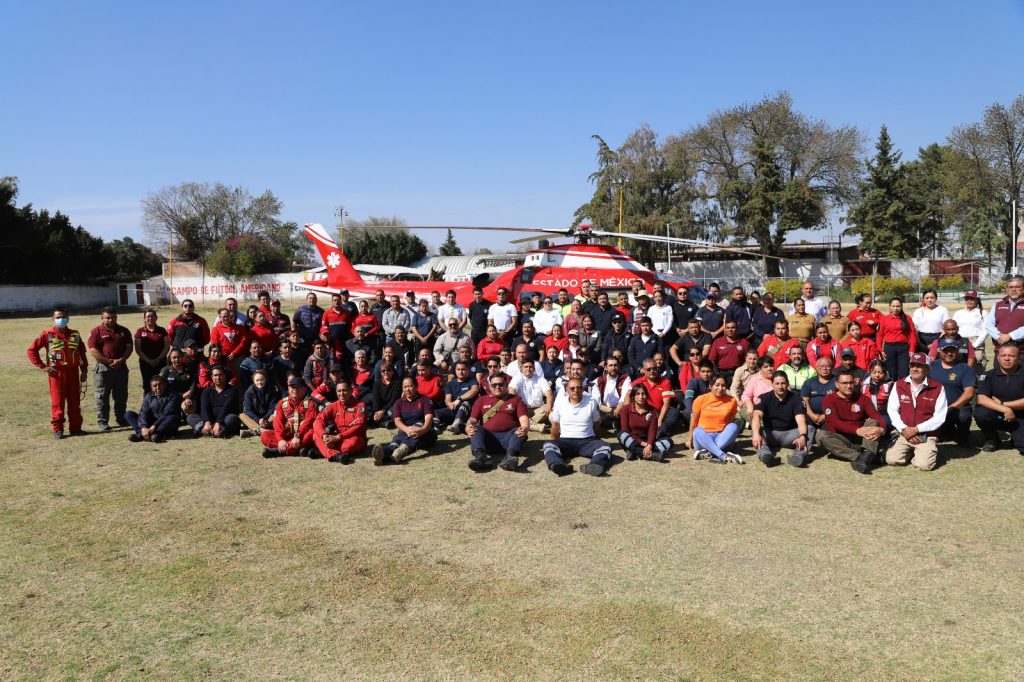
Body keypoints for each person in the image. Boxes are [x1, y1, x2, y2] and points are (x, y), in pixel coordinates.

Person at [27, 307, 89, 438]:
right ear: (53, 319)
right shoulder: (47, 334)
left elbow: (82, 353)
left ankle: (76, 428)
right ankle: (58, 430)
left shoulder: (75, 334)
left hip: (73, 372)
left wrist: (84, 370)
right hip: (56, 374)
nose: (61, 319)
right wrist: (43, 367)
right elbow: (31, 350)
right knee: (58, 403)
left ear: (68, 319)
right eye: (58, 317)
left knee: (75, 402)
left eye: (63, 317)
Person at [885, 353, 948, 471]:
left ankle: (924, 452)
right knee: (892, 460)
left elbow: (939, 417)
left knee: (924, 465)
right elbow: (892, 411)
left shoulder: (938, 388)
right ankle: (913, 451)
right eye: (912, 365)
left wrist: (916, 429)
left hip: (927, 434)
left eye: (919, 366)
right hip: (904, 433)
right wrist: (904, 430)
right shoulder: (899, 385)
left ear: (927, 369)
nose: (914, 369)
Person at [818, 368, 887, 474]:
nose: (849, 386)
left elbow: (877, 417)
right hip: (841, 440)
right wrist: (856, 430)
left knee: (873, 422)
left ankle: (866, 454)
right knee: (821, 436)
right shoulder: (829, 399)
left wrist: (881, 430)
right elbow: (835, 422)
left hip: (862, 440)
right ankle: (863, 457)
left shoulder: (863, 399)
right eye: (844, 383)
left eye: (851, 382)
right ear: (837, 384)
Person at [543, 377, 612, 477]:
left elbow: (596, 424)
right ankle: (557, 465)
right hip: (565, 441)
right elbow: (555, 425)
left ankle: (595, 465)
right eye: (572, 388)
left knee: (605, 446)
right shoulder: (560, 403)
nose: (576, 390)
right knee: (548, 445)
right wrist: (554, 443)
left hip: (587, 441)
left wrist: (598, 441)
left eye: (579, 388)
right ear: (567, 389)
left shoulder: (591, 402)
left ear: (582, 389)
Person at [466, 372, 530, 472]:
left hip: (509, 439)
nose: (497, 387)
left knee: (519, 431)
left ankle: (510, 458)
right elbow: (472, 420)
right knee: (475, 428)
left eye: (500, 384)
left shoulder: (516, 399)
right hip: (488, 440)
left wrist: (525, 428)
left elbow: (523, 418)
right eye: (494, 385)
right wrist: (468, 427)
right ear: (489, 386)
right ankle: (480, 458)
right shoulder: (481, 400)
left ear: (506, 385)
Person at [87, 306, 133, 431]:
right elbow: (93, 350)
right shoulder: (96, 331)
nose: (110, 320)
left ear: (116, 317)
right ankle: (103, 421)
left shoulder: (124, 331)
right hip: (103, 369)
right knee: (102, 396)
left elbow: (129, 347)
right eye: (107, 318)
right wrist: (109, 361)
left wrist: (121, 360)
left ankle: (121, 419)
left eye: (113, 317)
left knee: (121, 396)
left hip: (121, 367)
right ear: (102, 318)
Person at [752, 371, 812, 467]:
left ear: (788, 383)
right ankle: (765, 455)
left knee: (810, 429)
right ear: (772, 384)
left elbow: (800, 420)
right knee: (756, 429)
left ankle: (798, 456)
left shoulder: (796, 398)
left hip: (790, 435)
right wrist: (756, 434)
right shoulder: (764, 398)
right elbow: (757, 416)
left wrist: (802, 436)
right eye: (777, 383)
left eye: (783, 383)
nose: (780, 386)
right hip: (770, 434)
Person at [372, 377, 437, 465]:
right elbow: (397, 420)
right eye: (405, 387)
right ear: (402, 389)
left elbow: (428, 419)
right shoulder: (398, 402)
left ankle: (402, 451)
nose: (408, 389)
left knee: (418, 425)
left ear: (416, 386)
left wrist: (423, 430)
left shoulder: (425, 400)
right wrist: (407, 429)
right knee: (396, 441)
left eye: (410, 386)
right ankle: (383, 454)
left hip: (426, 433)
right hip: (405, 431)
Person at [975, 343, 1024, 454]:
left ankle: (1016, 437)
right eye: (1003, 355)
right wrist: (1005, 410)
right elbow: (982, 398)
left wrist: (1004, 404)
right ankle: (993, 440)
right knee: (981, 413)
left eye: (1011, 356)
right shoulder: (988, 375)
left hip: (1021, 415)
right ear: (998, 358)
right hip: (997, 415)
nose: (1007, 359)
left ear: (1019, 357)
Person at [930, 339, 976, 446]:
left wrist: (950, 408)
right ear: (939, 351)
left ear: (958, 351)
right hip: (934, 407)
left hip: (957, 407)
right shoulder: (931, 366)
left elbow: (969, 393)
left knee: (963, 416)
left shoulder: (965, 368)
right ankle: (946, 432)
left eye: (953, 350)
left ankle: (962, 435)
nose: (949, 353)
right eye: (946, 350)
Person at [688, 374, 742, 464]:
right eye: (717, 385)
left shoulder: (732, 401)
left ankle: (708, 453)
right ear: (710, 386)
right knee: (697, 431)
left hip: (722, 438)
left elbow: (730, 421)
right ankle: (723, 455)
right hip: (704, 438)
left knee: (733, 426)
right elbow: (694, 422)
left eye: (723, 385)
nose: (720, 388)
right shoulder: (700, 399)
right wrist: (690, 440)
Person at [313, 380, 369, 463]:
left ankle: (324, 451)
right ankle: (335, 455)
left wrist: (337, 437)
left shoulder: (360, 405)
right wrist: (324, 436)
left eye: (344, 390)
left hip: (353, 439)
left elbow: (359, 426)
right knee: (315, 435)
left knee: (352, 444)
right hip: (337, 440)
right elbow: (318, 420)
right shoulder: (333, 405)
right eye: (339, 391)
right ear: (336, 392)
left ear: (351, 391)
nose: (341, 393)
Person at [261, 377, 318, 458]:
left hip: (302, 436)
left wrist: (298, 436)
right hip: (286, 436)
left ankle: (279, 451)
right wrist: (280, 439)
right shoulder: (282, 403)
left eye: (298, 387)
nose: (294, 389)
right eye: (292, 387)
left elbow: (309, 422)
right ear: (288, 388)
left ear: (304, 389)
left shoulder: (310, 403)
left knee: (312, 433)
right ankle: (294, 449)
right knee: (265, 435)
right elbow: (277, 422)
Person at [617, 384, 673, 462]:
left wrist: (649, 445)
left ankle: (634, 452)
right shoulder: (626, 409)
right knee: (622, 434)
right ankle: (652, 455)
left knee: (669, 442)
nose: (641, 397)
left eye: (643, 394)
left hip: (647, 440)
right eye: (638, 394)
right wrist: (642, 443)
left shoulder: (652, 411)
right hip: (632, 439)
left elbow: (652, 430)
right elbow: (625, 430)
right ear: (633, 396)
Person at [187, 365, 241, 438]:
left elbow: (226, 408)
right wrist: (207, 421)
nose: (218, 377)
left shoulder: (232, 390)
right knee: (190, 418)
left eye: (220, 375)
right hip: (210, 419)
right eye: (215, 375)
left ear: (225, 376)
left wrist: (218, 422)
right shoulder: (206, 391)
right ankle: (207, 430)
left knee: (232, 418)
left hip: (224, 419)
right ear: (212, 377)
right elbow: (204, 408)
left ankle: (213, 430)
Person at [125, 375, 182, 443]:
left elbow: (167, 413)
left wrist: (154, 426)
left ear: (165, 385)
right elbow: (143, 412)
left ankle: (155, 434)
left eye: (160, 385)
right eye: (155, 386)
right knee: (128, 414)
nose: (158, 388)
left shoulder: (173, 395)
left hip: (165, 424)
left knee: (172, 417)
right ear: (151, 387)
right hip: (151, 424)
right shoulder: (148, 396)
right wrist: (143, 427)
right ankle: (142, 434)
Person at [635, 358, 679, 439]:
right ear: (644, 370)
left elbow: (667, 404)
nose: (652, 371)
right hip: (644, 412)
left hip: (661, 412)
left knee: (674, 412)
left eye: (654, 368)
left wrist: (659, 420)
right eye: (649, 369)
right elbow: (630, 398)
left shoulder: (665, 382)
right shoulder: (637, 382)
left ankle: (659, 432)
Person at [877, 297, 917, 380]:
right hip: (889, 349)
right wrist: (880, 350)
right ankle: (892, 387)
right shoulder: (884, 319)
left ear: (901, 307)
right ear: (889, 306)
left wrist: (912, 349)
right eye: (893, 306)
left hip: (903, 348)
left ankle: (903, 387)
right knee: (891, 373)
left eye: (898, 306)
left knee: (904, 373)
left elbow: (912, 334)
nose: (895, 308)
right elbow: (880, 335)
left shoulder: (907, 318)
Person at [509, 358, 553, 432]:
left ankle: (527, 423)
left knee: (551, 407)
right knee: (516, 413)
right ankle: (537, 426)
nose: (528, 369)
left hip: (538, 410)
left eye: (530, 367)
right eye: (526, 367)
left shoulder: (540, 379)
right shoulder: (517, 378)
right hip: (523, 410)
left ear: (534, 369)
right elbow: (511, 391)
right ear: (521, 368)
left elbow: (549, 394)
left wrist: (549, 406)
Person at [437, 360, 480, 433]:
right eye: (458, 369)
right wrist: (450, 404)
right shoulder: (450, 384)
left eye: (463, 369)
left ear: (467, 370)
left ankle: (457, 425)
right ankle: (435, 426)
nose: (461, 372)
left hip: (468, 411)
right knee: (437, 412)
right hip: (454, 409)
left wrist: (459, 399)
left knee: (466, 403)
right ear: (455, 371)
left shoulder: (472, 381)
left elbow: (474, 390)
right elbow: (447, 399)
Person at [134, 309, 169, 392]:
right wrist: (149, 361)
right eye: (148, 316)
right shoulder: (140, 331)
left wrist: (158, 359)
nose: (150, 318)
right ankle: (148, 400)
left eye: (152, 316)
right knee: (147, 386)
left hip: (161, 363)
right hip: (145, 364)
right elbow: (138, 349)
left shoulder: (162, 330)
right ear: (144, 318)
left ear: (156, 317)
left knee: (162, 384)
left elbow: (166, 347)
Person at [986, 276, 1024, 350]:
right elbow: (989, 324)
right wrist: (998, 336)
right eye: (1011, 287)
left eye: (1017, 287)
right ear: (1007, 289)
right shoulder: (997, 305)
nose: (1013, 289)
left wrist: (1010, 336)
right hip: (1000, 350)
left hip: (1021, 350)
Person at [590, 354, 631, 421]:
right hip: (604, 410)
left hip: (620, 409)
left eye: (615, 365)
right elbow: (593, 394)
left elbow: (625, 395)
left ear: (619, 366)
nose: (613, 368)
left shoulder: (625, 378)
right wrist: (601, 408)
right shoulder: (599, 380)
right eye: (610, 365)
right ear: (605, 367)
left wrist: (618, 408)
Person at [209, 307, 249, 375]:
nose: (226, 318)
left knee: (238, 375)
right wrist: (223, 355)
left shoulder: (239, 328)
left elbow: (243, 341)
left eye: (228, 316)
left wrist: (234, 353)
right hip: (223, 358)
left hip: (238, 357)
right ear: (220, 317)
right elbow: (215, 344)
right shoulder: (216, 329)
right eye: (224, 316)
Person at [952, 290, 987, 365]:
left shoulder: (983, 313)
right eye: (967, 299)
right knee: (961, 364)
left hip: (976, 343)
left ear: (977, 300)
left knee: (977, 367)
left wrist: (975, 345)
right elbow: (953, 328)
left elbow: (986, 331)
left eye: (972, 299)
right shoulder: (958, 313)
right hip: (961, 342)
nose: (969, 301)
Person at [240, 369, 277, 438]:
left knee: (276, 415)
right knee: (242, 415)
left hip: (267, 418)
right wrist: (258, 420)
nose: (259, 382)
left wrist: (264, 419)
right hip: (255, 419)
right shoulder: (249, 392)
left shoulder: (271, 390)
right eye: (257, 380)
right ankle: (262, 430)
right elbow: (248, 410)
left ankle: (255, 431)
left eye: (262, 380)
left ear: (265, 379)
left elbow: (272, 408)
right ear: (253, 381)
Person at [161, 348, 197, 416]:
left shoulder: (188, 369)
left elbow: (193, 382)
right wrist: (180, 395)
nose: (177, 360)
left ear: (182, 357)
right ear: (170, 359)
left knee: (188, 407)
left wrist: (190, 393)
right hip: (171, 397)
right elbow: (162, 386)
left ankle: (187, 418)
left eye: (179, 357)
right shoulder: (166, 370)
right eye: (174, 358)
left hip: (187, 396)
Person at [741, 356, 778, 421]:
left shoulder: (779, 379)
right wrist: (750, 406)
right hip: (758, 410)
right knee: (744, 411)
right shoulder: (755, 380)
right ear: (760, 369)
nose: (769, 369)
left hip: (776, 410)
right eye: (766, 367)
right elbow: (745, 396)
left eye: (771, 366)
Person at [682, 360, 715, 428]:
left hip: (711, 409)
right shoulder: (693, 382)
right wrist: (692, 413)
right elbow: (688, 398)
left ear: (712, 372)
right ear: (699, 372)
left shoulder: (716, 382)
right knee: (686, 412)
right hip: (696, 410)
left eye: (708, 371)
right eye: (703, 371)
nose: (706, 374)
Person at [369, 364, 402, 428]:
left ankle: (380, 423)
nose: (385, 372)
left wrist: (383, 411)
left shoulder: (397, 383)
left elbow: (394, 399)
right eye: (383, 371)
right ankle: (384, 422)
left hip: (390, 408)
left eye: (388, 370)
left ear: (392, 372)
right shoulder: (377, 384)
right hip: (380, 410)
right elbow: (376, 399)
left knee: (395, 411)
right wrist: (376, 412)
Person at [292, 292, 325, 357]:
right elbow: (294, 322)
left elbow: (323, 325)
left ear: (316, 300)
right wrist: (297, 334)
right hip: (303, 339)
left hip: (316, 338)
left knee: (316, 356)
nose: (312, 300)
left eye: (314, 298)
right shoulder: (300, 310)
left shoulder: (321, 311)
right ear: (307, 300)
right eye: (310, 298)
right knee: (303, 356)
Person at [862, 360, 894, 425]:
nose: (877, 375)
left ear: (885, 372)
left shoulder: (890, 385)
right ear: (870, 372)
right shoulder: (863, 385)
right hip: (867, 415)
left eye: (880, 373)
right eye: (874, 372)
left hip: (885, 415)